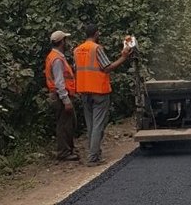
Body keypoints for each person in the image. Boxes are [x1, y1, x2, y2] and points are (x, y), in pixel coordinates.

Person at [74, 24, 131, 166]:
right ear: (96, 34)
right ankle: (93, 157)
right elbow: (107, 67)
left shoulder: (77, 50)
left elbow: (78, 69)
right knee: (98, 125)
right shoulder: (96, 49)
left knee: (91, 124)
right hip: (98, 91)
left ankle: (95, 153)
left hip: (84, 90)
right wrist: (123, 57)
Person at [45, 30, 79, 161]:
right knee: (64, 124)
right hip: (61, 96)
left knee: (68, 123)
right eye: (65, 39)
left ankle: (68, 149)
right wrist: (66, 100)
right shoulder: (57, 59)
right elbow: (59, 82)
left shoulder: (54, 56)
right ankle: (64, 152)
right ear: (62, 42)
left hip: (60, 95)